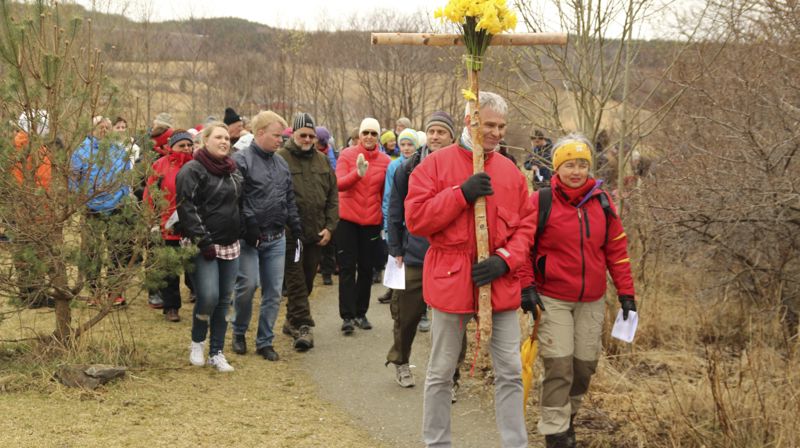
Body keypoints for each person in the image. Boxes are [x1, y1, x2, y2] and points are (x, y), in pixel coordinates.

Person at [405, 92, 535, 448]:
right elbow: (415, 218)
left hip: (500, 282)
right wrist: (460, 194)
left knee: (509, 371)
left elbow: (526, 227)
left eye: (501, 126)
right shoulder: (434, 165)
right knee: (441, 371)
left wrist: (505, 259)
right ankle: (437, 443)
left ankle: (515, 443)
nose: (496, 133)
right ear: (470, 121)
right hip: (450, 279)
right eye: (489, 125)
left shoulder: (511, 172)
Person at [517, 134, 636, 448]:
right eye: (570, 164)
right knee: (559, 364)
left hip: (592, 299)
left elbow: (617, 250)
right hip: (552, 297)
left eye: (582, 164)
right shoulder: (541, 201)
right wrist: (527, 286)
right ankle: (555, 432)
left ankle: (568, 418)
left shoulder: (603, 202)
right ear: (557, 168)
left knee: (584, 367)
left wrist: (627, 293)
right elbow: (523, 248)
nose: (577, 171)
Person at [385, 111, 469, 395]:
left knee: (455, 321)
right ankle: (401, 361)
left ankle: (452, 377)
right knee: (406, 316)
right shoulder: (406, 168)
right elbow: (395, 210)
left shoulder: (464, 168)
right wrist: (395, 248)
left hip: (452, 259)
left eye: (441, 132)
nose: (435, 137)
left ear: (452, 137)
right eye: (431, 131)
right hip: (415, 255)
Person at [231, 111, 302, 362]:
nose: (280, 140)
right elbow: (238, 198)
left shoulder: (281, 163)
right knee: (248, 286)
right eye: (276, 135)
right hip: (250, 238)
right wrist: (248, 225)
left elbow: (288, 197)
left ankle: (265, 340)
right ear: (260, 133)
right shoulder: (241, 160)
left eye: (282, 136)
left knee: (273, 292)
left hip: (277, 237)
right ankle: (238, 331)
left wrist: (295, 224)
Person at [176, 122, 242, 373]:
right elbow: (187, 208)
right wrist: (203, 241)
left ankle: (217, 351)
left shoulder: (233, 171)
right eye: (218, 137)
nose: (224, 141)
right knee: (208, 296)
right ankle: (198, 342)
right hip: (202, 244)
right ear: (205, 140)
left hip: (230, 244)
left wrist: (243, 229)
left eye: (227, 137)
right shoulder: (192, 170)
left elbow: (239, 204)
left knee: (225, 300)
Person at [276, 113, 338, 352]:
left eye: (311, 136)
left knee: (308, 281)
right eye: (303, 135)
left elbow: (333, 196)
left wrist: (330, 227)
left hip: (316, 234)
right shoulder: (281, 159)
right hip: (291, 235)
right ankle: (303, 327)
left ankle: (291, 321)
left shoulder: (322, 161)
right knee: (296, 282)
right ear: (293, 134)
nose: (308, 139)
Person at [71, 116, 134, 307]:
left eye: (107, 127)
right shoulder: (82, 151)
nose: (105, 130)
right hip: (92, 208)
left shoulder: (118, 150)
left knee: (117, 251)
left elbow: (126, 176)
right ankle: (94, 291)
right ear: (92, 129)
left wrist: (123, 196)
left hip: (117, 207)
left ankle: (115, 292)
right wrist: (79, 199)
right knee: (92, 251)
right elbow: (73, 179)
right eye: (100, 126)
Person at [335, 117, 391, 335]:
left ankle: (361, 312)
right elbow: (338, 184)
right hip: (347, 219)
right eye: (365, 132)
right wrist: (356, 174)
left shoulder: (386, 161)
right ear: (359, 135)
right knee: (347, 268)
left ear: (378, 137)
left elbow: (385, 194)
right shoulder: (347, 155)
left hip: (371, 221)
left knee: (367, 269)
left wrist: (384, 220)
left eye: (373, 133)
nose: (369, 137)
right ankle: (347, 316)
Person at [143, 130, 196, 322]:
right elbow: (150, 195)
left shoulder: (197, 165)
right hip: (167, 225)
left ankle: (200, 296)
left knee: (194, 265)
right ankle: (171, 307)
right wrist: (152, 221)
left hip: (192, 225)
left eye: (189, 145)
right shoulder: (159, 166)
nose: (187, 149)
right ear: (170, 147)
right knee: (169, 270)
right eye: (182, 145)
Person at [9, 110, 54, 308]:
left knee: (33, 250)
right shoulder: (24, 147)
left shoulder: (34, 146)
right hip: (29, 206)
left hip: (34, 205)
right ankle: (31, 295)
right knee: (29, 249)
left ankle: (34, 293)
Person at [375, 128, 418, 306]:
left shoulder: (422, 163)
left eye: (410, 144)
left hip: (414, 223)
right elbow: (388, 197)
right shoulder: (394, 166)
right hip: (396, 220)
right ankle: (394, 293)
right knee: (396, 259)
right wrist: (387, 224)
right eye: (403, 144)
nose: (406, 148)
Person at [315, 125, 339, 286]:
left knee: (329, 242)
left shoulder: (330, 157)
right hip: (314, 202)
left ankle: (327, 272)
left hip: (326, 200)